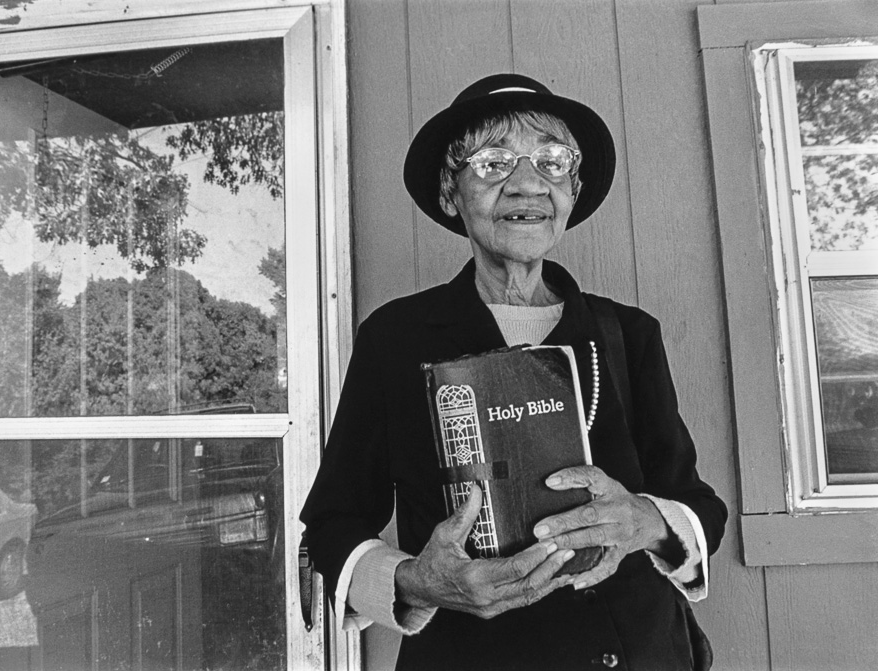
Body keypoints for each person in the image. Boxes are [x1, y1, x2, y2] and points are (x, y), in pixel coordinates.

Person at [300, 73, 727, 670]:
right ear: (452, 195)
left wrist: (647, 521)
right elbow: (332, 523)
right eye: (493, 161)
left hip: (638, 651)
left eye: (553, 162)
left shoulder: (627, 334)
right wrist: (417, 582)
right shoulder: (395, 338)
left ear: (572, 191)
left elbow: (697, 503)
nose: (527, 183)